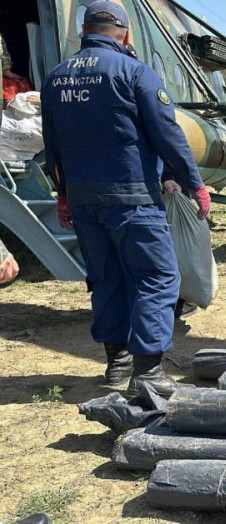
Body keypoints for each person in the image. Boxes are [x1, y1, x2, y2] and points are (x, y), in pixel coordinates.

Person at [41, 1, 210, 398]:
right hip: (132, 198)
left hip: (84, 201)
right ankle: (148, 371)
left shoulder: (55, 78)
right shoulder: (134, 72)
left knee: (106, 278)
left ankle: (117, 363)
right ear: (126, 33)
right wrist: (193, 183)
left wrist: (63, 196)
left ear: (84, 31)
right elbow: (168, 134)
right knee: (156, 278)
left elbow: (54, 147)